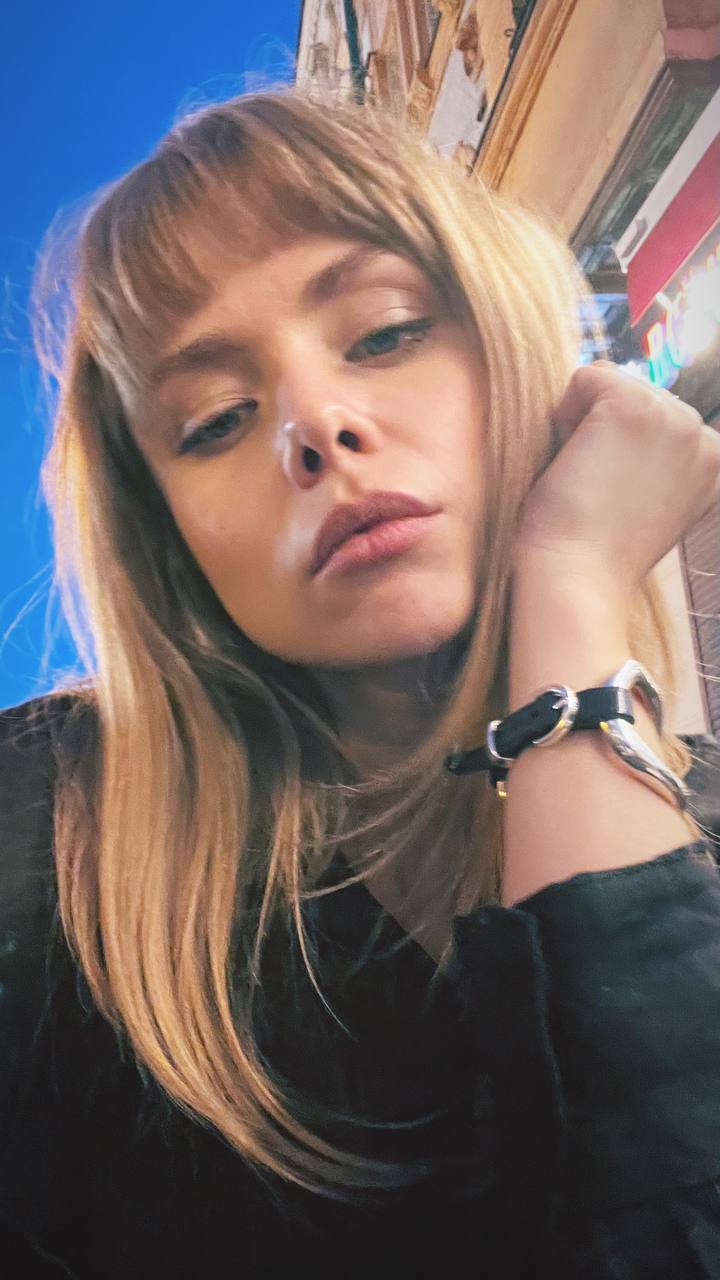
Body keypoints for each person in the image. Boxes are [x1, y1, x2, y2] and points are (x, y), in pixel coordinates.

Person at [1, 88, 720, 1279]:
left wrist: (571, 581)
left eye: (384, 333)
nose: (315, 423)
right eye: (215, 418)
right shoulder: (45, 836)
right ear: (169, 537)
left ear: (517, 351)